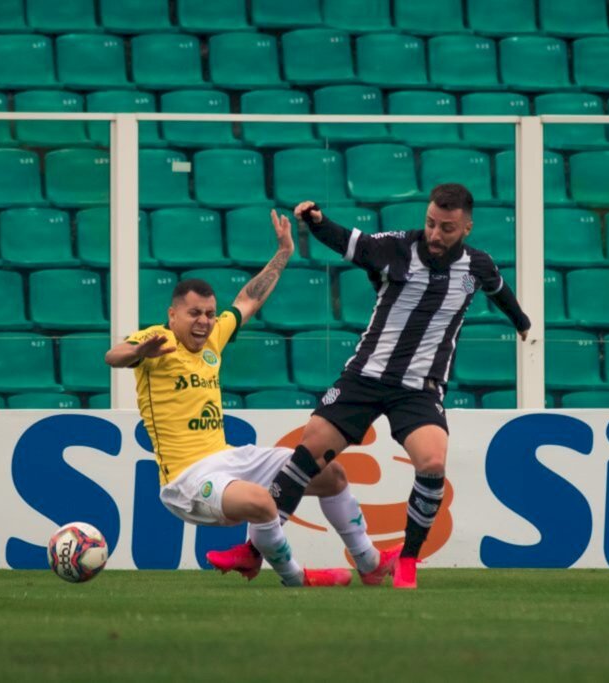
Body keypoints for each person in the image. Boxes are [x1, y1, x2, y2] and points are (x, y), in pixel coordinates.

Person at [211, 183, 532, 589]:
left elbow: (498, 290)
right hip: (365, 376)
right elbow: (350, 242)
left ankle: (409, 561)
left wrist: (521, 321)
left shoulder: (477, 266)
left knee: (432, 462)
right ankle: (253, 553)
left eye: (447, 228)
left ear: (467, 227)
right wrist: (317, 220)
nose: (435, 234)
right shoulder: (397, 248)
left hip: (419, 388)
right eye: (431, 223)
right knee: (308, 452)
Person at [104, 209, 397, 588]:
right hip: (186, 479)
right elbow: (113, 356)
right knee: (262, 502)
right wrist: (140, 353)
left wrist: (284, 252)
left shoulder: (213, 339)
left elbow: (248, 300)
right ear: (172, 314)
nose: (204, 321)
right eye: (194, 313)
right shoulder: (156, 339)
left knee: (329, 472)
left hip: (227, 458)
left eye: (209, 313)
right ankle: (296, 579)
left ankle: (369, 562)